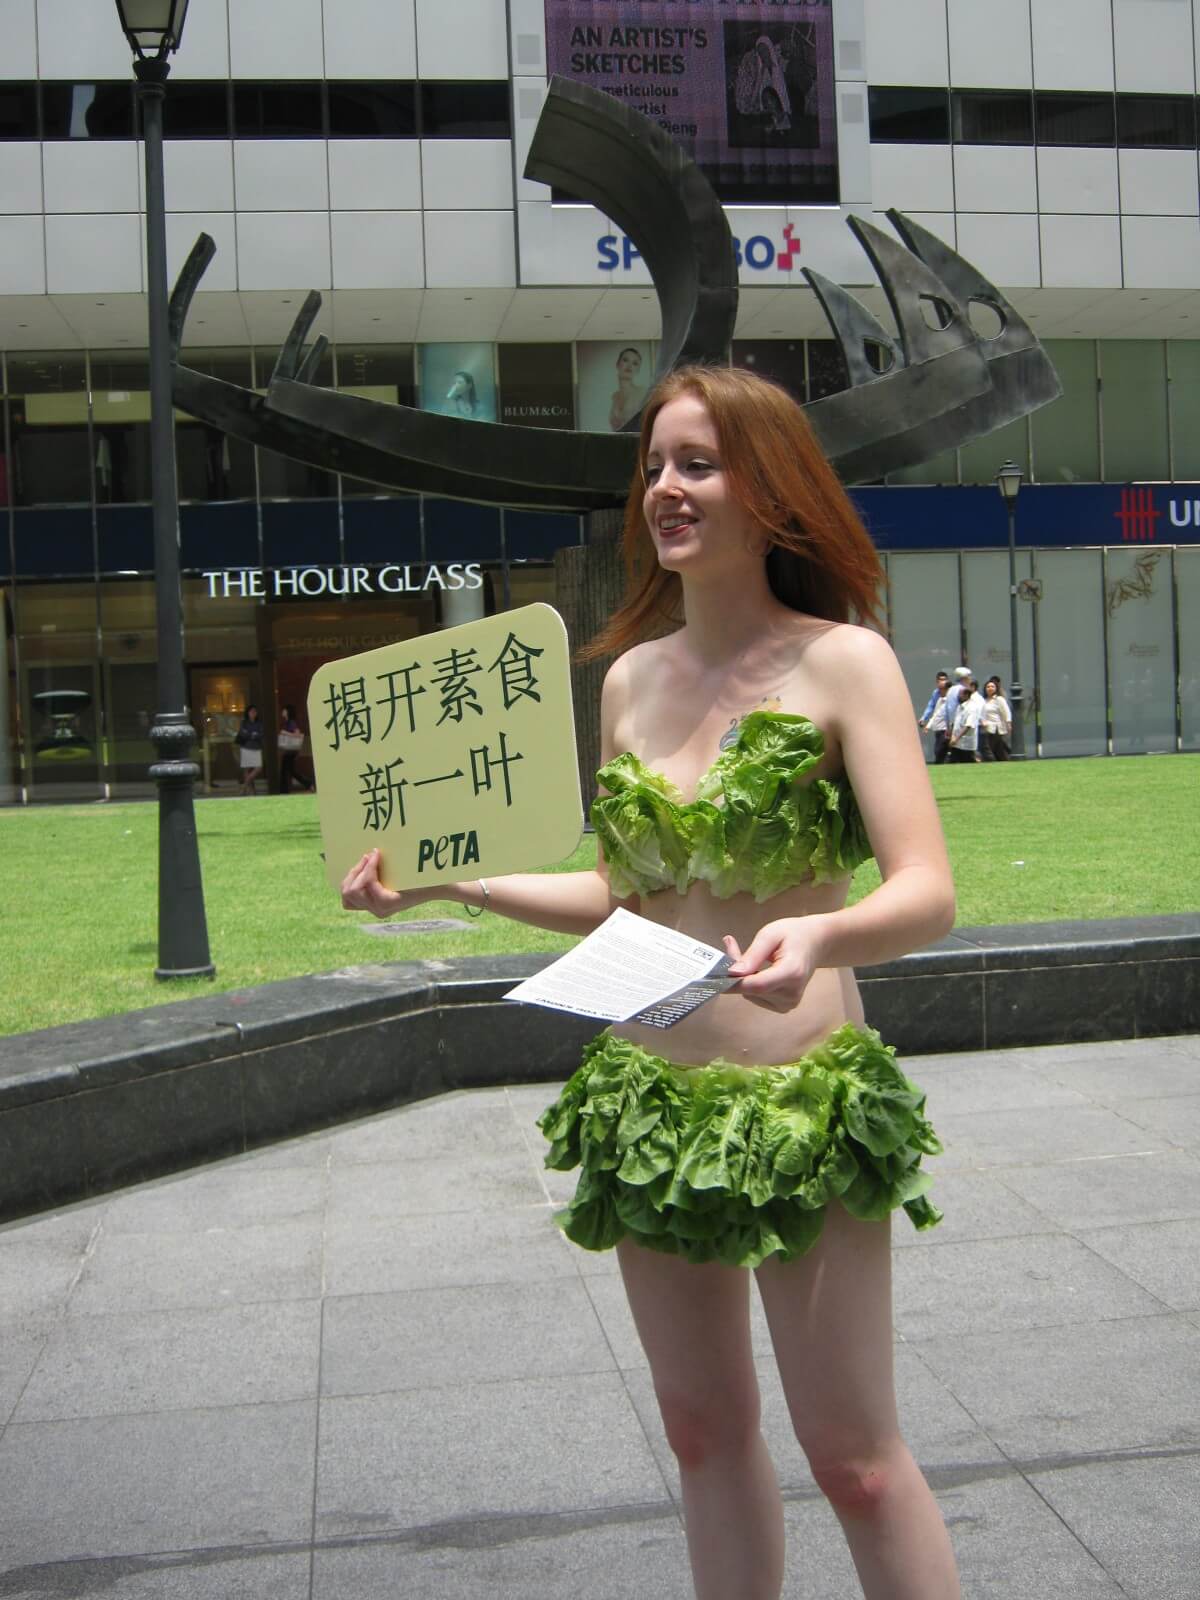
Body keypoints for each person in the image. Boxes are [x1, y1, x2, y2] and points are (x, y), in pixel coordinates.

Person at [340, 365, 960, 1600]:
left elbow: (925, 890)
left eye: (698, 463)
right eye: (655, 466)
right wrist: (451, 885)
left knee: (856, 1460)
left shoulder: (847, 663)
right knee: (701, 1436)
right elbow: (629, 897)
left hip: (804, 1104)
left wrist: (821, 941)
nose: (666, 490)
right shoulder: (627, 677)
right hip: (650, 1103)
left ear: (770, 488)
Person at [608, 346, 647, 432]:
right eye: (625, 360)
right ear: (617, 364)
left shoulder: (641, 393)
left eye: (635, 363)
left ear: (638, 370)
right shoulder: (614, 397)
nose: (629, 366)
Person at [277, 704, 313, 794]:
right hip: (290, 751)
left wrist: (285, 733)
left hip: (291, 751)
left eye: (284, 710)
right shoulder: (287, 722)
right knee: (290, 771)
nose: (282, 712)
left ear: (287, 712)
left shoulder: (291, 722)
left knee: (286, 770)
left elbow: (297, 734)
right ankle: (308, 784)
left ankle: (284, 791)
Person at [947, 677, 984, 763]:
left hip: (966, 745)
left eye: (960, 694)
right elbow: (955, 723)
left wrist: (956, 738)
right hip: (957, 744)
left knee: (968, 762)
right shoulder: (960, 707)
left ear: (966, 695)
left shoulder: (972, 708)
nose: (958, 696)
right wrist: (952, 736)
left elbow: (968, 726)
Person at [919, 670, 952, 763]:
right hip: (938, 725)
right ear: (937, 682)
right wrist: (924, 719)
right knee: (938, 749)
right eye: (940, 680)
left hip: (948, 726)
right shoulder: (936, 694)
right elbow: (932, 708)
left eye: (944, 680)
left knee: (942, 749)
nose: (942, 682)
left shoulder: (952, 693)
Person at [979, 678, 1013, 762]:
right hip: (987, 728)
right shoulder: (984, 701)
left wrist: (1008, 724)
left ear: (996, 688)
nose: (990, 688)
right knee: (992, 749)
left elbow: (1006, 712)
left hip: (997, 728)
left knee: (998, 748)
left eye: (992, 686)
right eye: (988, 687)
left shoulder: (999, 699)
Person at [234, 703, 264, 794]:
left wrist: (252, 735)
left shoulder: (259, 723)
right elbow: (243, 733)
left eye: (255, 711)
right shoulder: (244, 722)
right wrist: (253, 735)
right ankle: (251, 790)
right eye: (251, 711)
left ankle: (244, 786)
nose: (253, 713)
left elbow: (261, 734)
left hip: (256, 748)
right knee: (246, 769)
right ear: (248, 713)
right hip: (246, 747)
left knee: (258, 768)